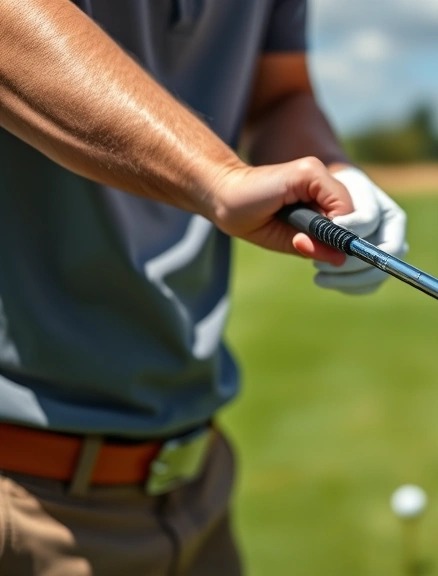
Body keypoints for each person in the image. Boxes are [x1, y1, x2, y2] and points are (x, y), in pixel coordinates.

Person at [0, 1, 405, 574]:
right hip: (21, 499)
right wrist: (218, 176)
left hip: (196, 492)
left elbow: (277, 96)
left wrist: (336, 173)